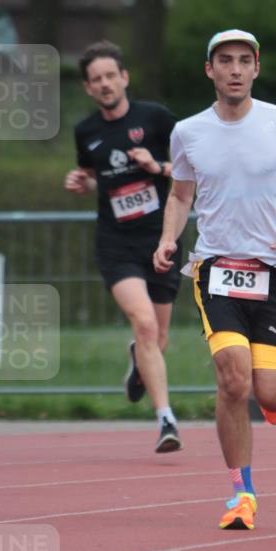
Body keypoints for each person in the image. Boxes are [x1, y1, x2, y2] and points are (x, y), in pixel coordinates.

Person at [154, 29, 276, 529]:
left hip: (274, 272)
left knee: (272, 395)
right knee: (233, 379)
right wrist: (169, 239)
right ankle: (241, 494)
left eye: (242, 61)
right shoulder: (187, 132)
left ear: (255, 68)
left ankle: (273, 395)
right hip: (216, 268)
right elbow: (180, 195)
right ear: (210, 70)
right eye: (224, 61)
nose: (233, 69)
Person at [64, 40, 182, 453]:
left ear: (124, 78)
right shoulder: (87, 132)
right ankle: (166, 420)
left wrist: (158, 166)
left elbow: (194, 168)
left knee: (157, 337)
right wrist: (83, 183)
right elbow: (94, 176)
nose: (104, 84)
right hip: (116, 244)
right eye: (96, 79)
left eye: (110, 76)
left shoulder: (155, 118)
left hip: (162, 239)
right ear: (88, 88)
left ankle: (138, 362)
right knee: (145, 324)